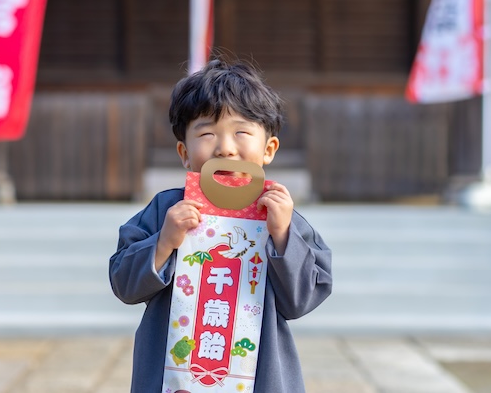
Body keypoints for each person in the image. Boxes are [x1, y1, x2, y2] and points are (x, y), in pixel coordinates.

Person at [109, 58, 333, 392]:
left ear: (268, 148)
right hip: (171, 375)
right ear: (184, 152)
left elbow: (300, 301)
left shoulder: (279, 215)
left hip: (258, 374)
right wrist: (164, 243)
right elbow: (124, 284)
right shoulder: (166, 211)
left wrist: (284, 236)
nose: (225, 147)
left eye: (242, 132)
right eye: (208, 133)